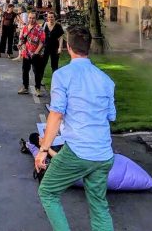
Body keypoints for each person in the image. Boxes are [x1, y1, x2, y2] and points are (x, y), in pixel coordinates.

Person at [35, 26, 116, 231]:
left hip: (78, 151)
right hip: (104, 153)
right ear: (88, 48)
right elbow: (110, 116)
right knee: (99, 206)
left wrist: (44, 149)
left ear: (68, 48)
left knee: (48, 192)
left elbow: (56, 114)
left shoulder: (63, 75)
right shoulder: (106, 80)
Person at [18, 12, 46, 95]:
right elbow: (22, 39)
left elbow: (42, 42)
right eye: (30, 18)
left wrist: (36, 52)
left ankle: (38, 89)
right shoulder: (25, 28)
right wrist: (21, 45)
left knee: (37, 72)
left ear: (36, 19)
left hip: (36, 54)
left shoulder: (39, 29)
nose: (31, 19)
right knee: (25, 71)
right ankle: (25, 87)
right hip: (26, 53)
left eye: (33, 18)